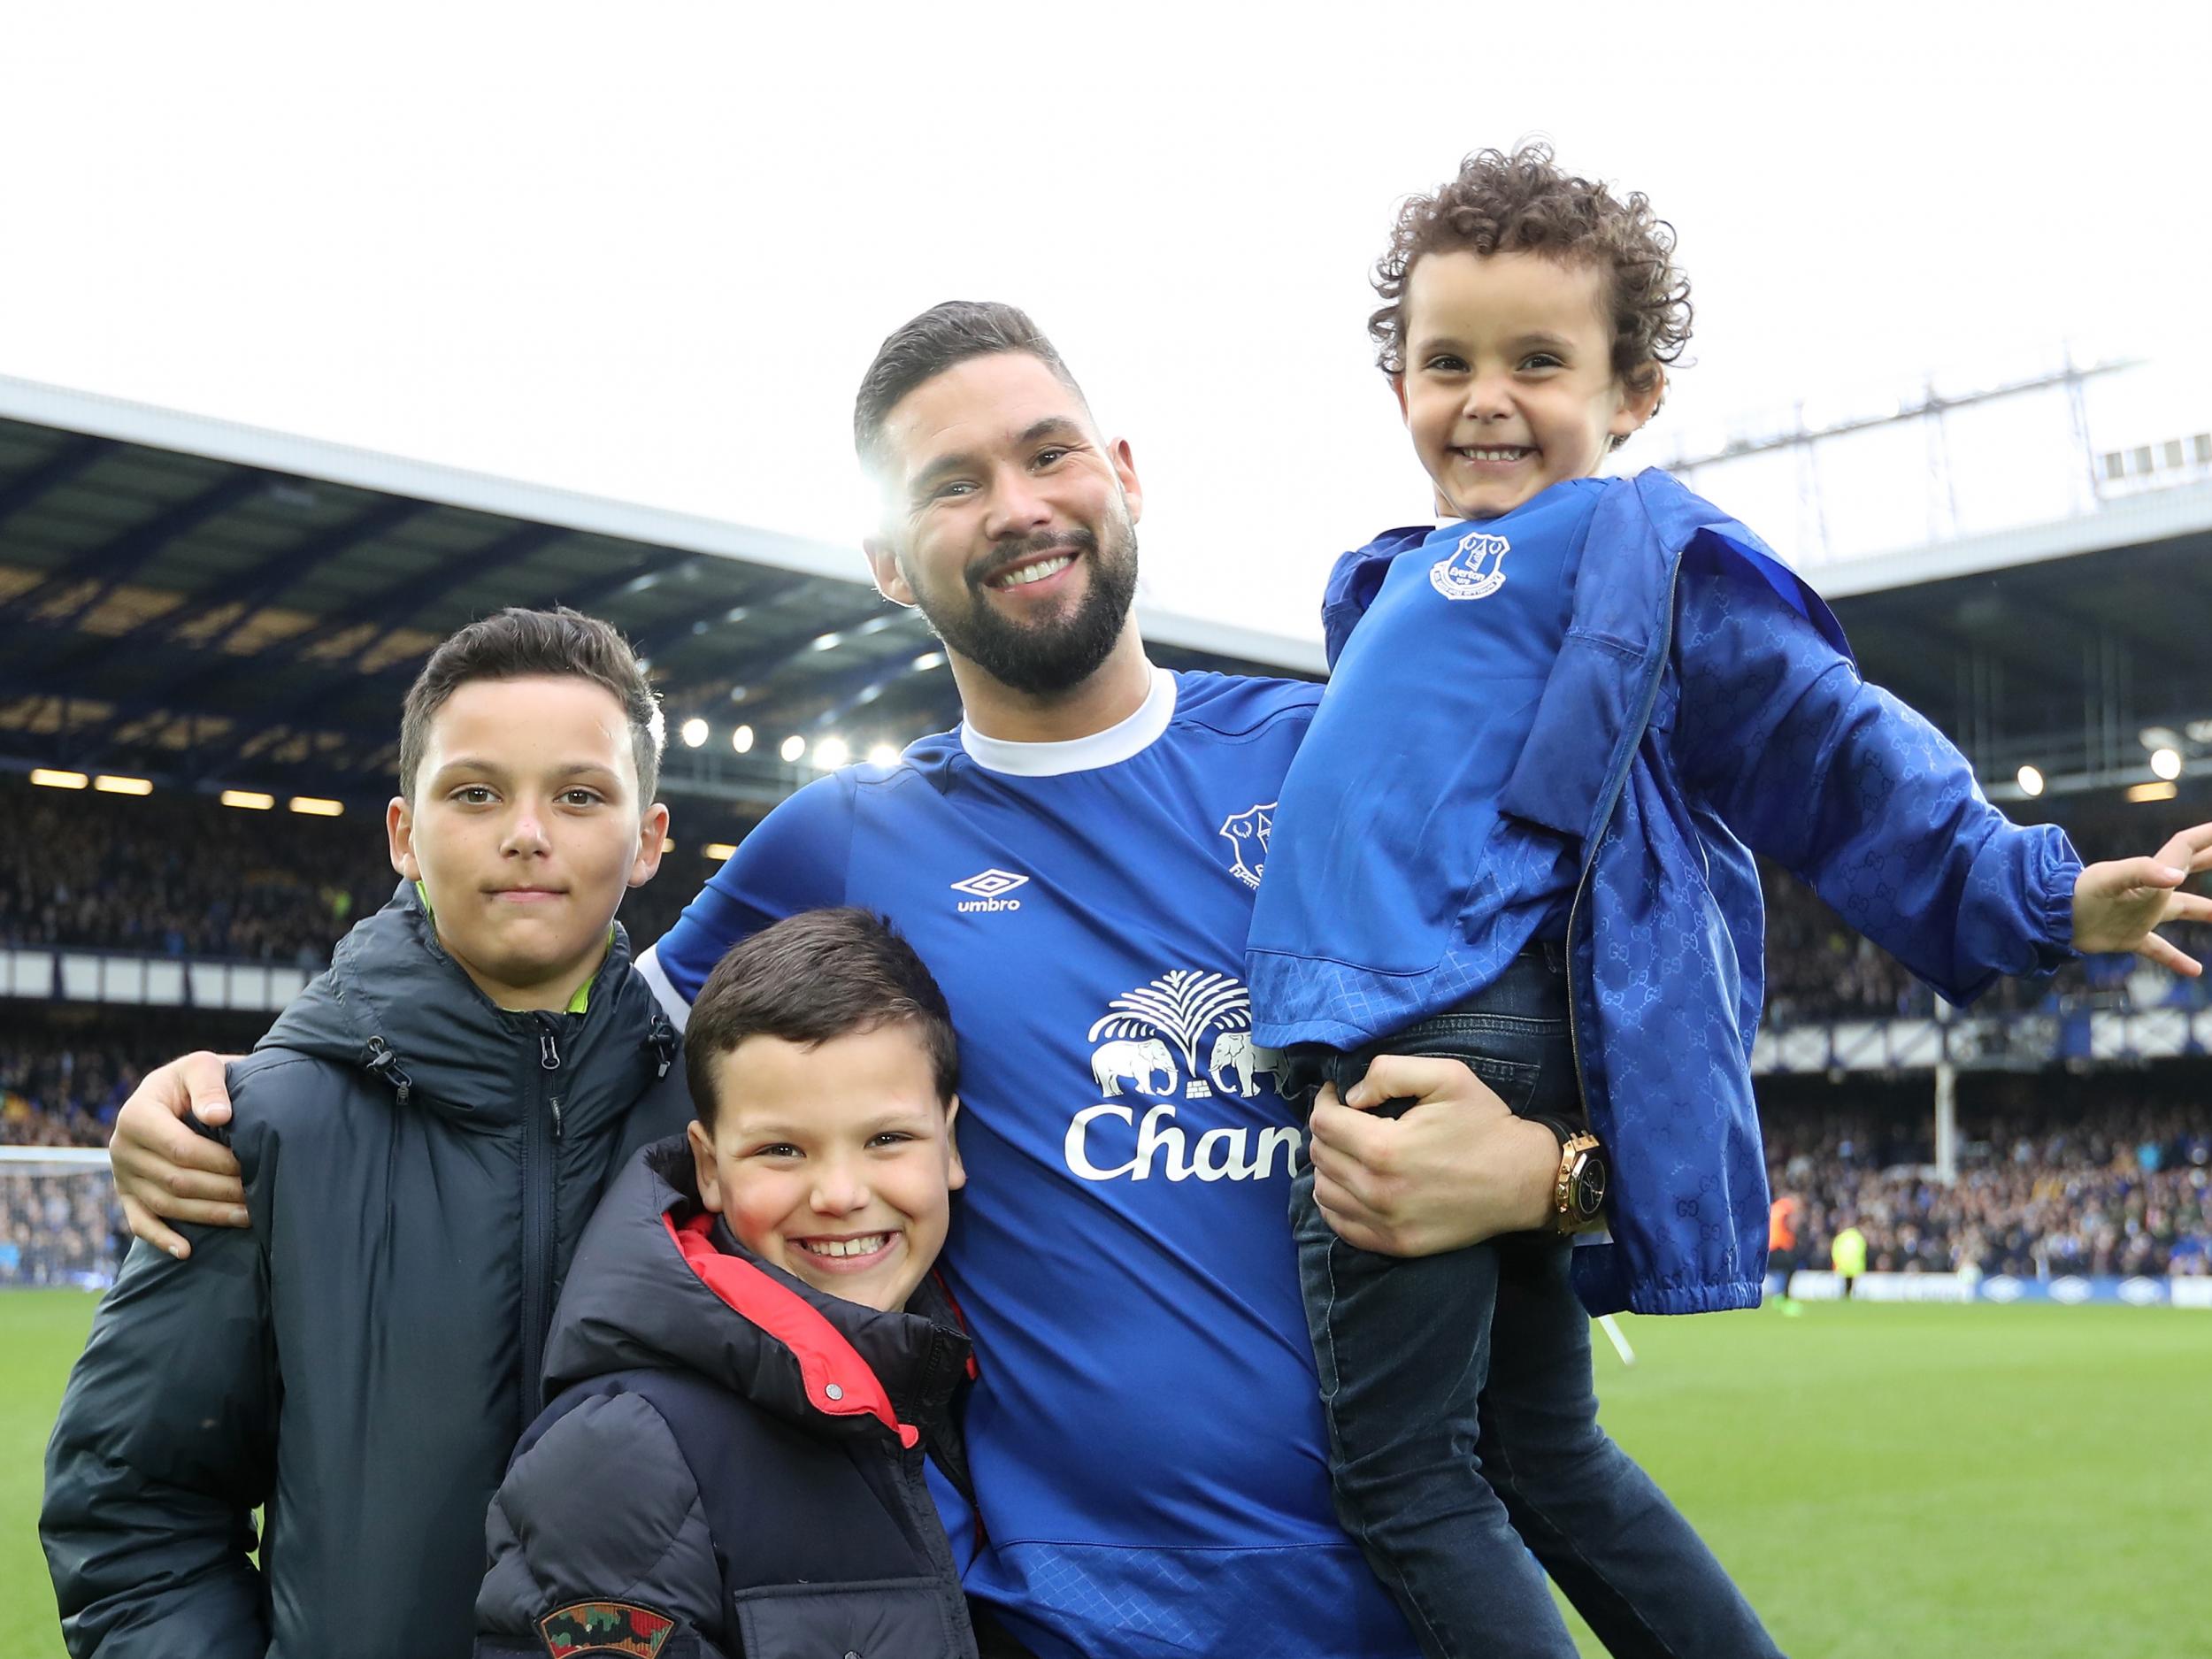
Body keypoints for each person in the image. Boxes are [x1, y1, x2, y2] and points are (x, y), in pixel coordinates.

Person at [106, 301, 1561, 1659]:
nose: (1016, 505)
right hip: (1047, 1620)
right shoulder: (839, 841)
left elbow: (1593, 1032)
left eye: (1046, 453)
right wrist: (245, 1083)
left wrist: (1556, 1176)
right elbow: (550, 1015)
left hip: (1405, 1588)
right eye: (949, 483)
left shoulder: (1327, 754)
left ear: (1121, 471)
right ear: (886, 560)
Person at [1244, 143, 2212, 1659]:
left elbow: (1827, 747)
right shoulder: (1391, 582)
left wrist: (2028, 887)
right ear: (1398, 387)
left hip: (1435, 1035)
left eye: (1539, 361)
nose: (1487, 395)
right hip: (1458, 1026)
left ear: (1632, 395)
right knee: (1544, 1455)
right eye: (1449, 361)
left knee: (1405, 1478)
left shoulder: (1638, 549)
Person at [44, 608, 691, 1658]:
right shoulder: (257, 1128)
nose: (527, 831)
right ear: (404, 835)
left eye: (579, 796)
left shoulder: (723, 1131)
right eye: (475, 792)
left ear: (649, 838)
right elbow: (132, 1507)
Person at [474, 908, 992, 1658]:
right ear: (709, 1166)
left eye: (887, 1138)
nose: (840, 1193)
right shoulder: (620, 1457)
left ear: (949, 1141)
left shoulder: (974, 1387)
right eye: (783, 1149)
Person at [1832, 1215, 1868, 1299]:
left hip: (1843, 1265)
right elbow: (1863, 1250)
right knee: (1854, 1284)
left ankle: (1845, 1294)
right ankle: (1853, 1295)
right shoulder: (1858, 1237)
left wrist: (1837, 1262)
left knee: (1844, 1284)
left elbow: (1835, 1251)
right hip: (1856, 1266)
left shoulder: (1841, 1237)